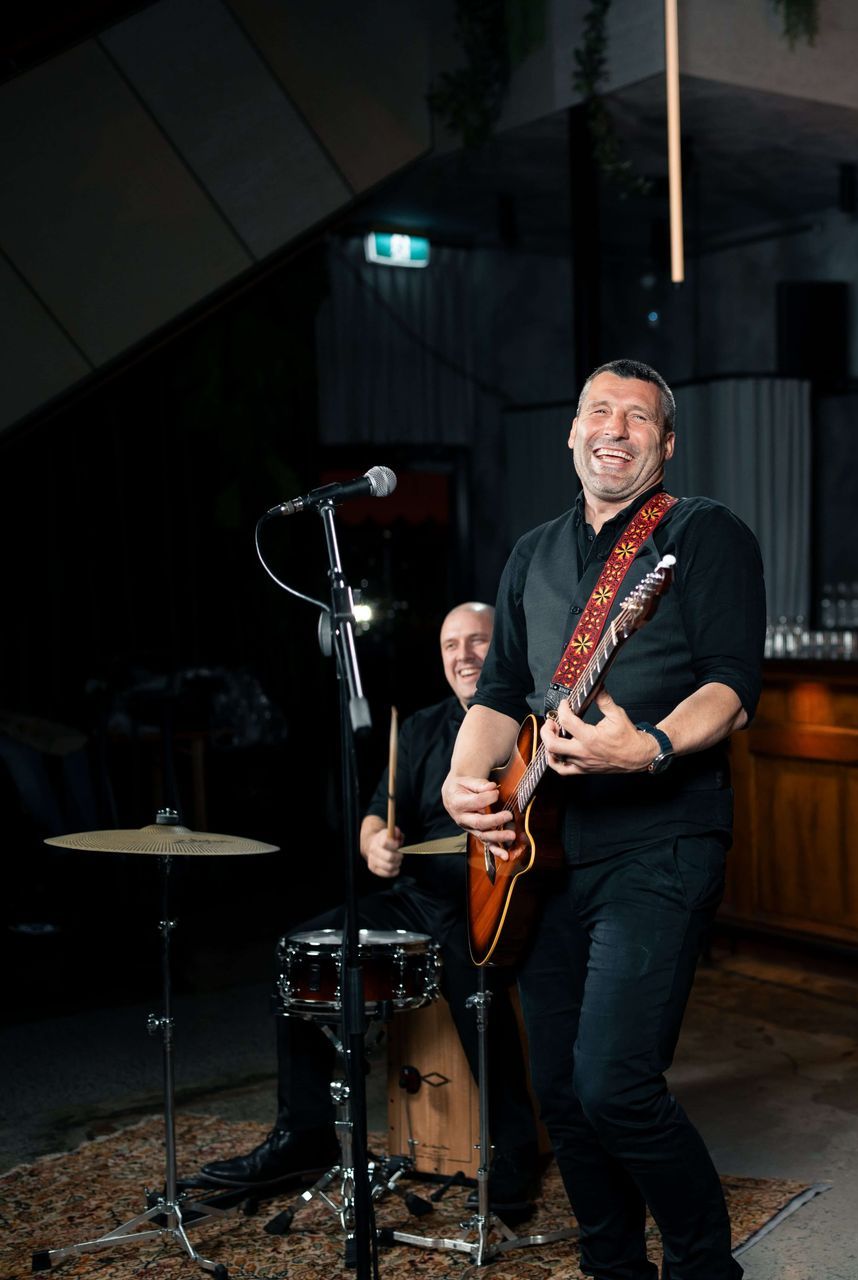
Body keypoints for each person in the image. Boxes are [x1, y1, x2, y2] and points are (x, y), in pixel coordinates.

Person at [443, 358, 764, 1280]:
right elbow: (501, 694)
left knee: (614, 1085)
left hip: (662, 840)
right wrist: (466, 784)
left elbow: (733, 687)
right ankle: (610, 1268)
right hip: (539, 852)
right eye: (597, 411)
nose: (613, 428)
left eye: (637, 417)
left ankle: (706, 1268)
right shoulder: (532, 554)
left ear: (664, 444)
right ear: (571, 431)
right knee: (560, 1093)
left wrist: (651, 747)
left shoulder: (702, 535)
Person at [200, 603, 544, 1215]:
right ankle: (305, 1135)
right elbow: (379, 814)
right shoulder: (417, 730)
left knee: (477, 993)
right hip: (418, 897)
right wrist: (375, 844)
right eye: (450, 645)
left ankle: (515, 1150)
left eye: (478, 641)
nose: (463, 655)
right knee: (303, 952)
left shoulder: (533, 726)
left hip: (495, 900)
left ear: (504, 649)